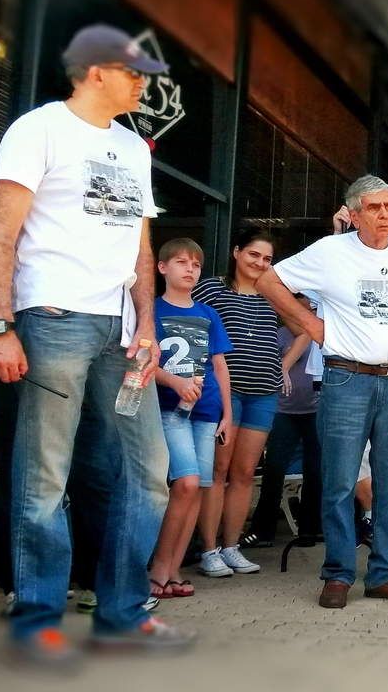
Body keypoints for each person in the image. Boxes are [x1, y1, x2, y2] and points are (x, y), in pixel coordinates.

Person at [0, 23, 193, 662]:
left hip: (121, 336)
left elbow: (140, 250)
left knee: (149, 473)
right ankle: (36, 619)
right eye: (134, 73)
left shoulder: (133, 148)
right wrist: (1, 326)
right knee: (45, 476)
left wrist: (148, 325)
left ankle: (122, 611)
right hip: (53, 317)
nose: (144, 84)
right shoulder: (38, 129)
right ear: (95, 71)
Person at [256, 174, 388, 608]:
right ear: (355, 215)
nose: (385, 214)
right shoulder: (330, 251)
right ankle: (338, 574)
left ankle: (386, 574)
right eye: (374, 208)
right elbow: (269, 282)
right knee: (340, 481)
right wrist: (311, 325)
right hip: (346, 378)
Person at [192, 228, 292, 576]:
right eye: (253, 254)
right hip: (225, 392)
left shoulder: (273, 293)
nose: (259, 263)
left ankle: (232, 547)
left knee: (245, 473)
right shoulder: (211, 288)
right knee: (217, 471)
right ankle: (209, 549)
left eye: (267, 259)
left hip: (264, 392)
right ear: (236, 252)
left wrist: (284, 365)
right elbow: (187, 321)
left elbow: (304, 328)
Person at [147, 239, 235, 598]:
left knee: (198, 488)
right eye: (181, 262)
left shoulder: (208, 314)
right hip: (169, 409)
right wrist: (175, 382)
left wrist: (228, 412)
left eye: (196, 265)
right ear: (162, 267)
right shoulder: (150, 311)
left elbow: (219, 364)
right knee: (184, 483)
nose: (190, 269)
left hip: (207, 411)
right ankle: (158, 568)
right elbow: (142, 361)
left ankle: (173, 570)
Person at [249, 297, 321, 545]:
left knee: (316, 469)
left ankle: (311, 528)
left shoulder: (319, 333)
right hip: (283, 411)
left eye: (309, 307)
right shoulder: (279, 334)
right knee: (274, 468)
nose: (305, 312)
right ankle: (263, 530)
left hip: (315, 409)